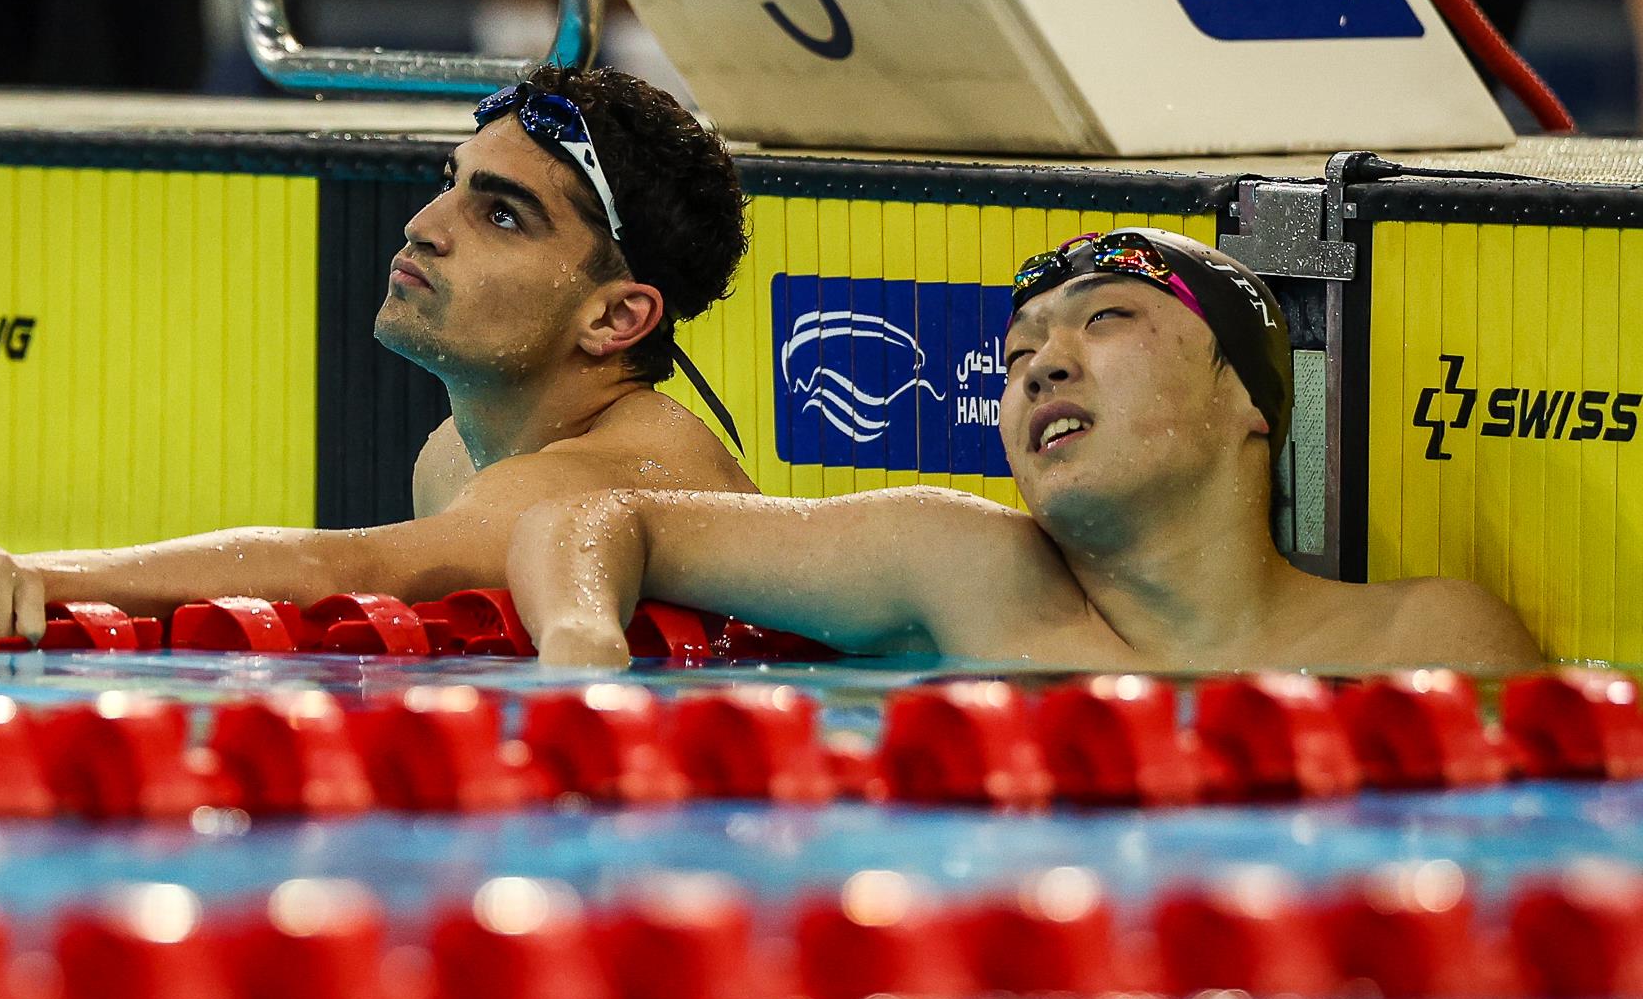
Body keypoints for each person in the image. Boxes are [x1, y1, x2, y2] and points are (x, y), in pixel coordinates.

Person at [0, 66, 755, 641]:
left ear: (616, 318)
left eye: (501, 215)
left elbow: (347, 568)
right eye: (450, 183)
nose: (424, 225)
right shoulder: (455, 458)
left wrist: (37, 576)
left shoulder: (606, 479)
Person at [508, 230, 1541, 671]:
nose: (1041, 367)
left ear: (1245, 396)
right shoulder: (964, 572)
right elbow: (594, 518)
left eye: (1105, 320)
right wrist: (579, 636)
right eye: (1015, 356)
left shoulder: (1423, 639)